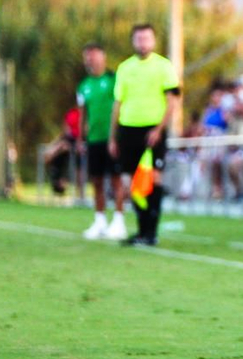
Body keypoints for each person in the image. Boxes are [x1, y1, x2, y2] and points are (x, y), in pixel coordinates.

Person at [108, 23, 181, 247]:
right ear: (133, 41)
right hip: (128, 130)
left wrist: (159, 129)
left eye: (147, 38)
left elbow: (173, 101)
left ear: (154, 41)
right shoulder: (124, 68)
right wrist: (113, 137)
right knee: (132, 181)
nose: (143, 42)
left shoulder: (163, 66)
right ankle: (141, 230)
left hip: (153, 129)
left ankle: (152, 231)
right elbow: (118, 103)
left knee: (153, 178)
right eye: (139, 38)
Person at [77, 43, 127, 241]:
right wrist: (81, 138)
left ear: (103, 57)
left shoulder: (114, 80)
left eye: (94, 56)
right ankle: (99, 220)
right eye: (87, 57)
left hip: (112, 138)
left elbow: (121, 105)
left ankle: (119, 220)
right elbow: (82, 114)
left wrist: (117, 136)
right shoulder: (83, 86)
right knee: (96, 180)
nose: (91, 60)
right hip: (94, 139)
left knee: (116, 179)